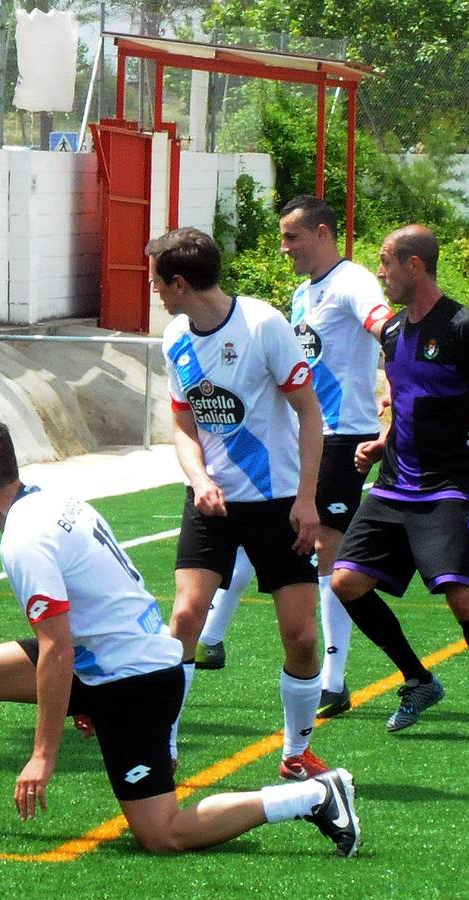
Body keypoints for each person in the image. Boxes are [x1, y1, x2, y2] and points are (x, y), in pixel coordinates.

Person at [0, 413, 360, 857]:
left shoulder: (24, 540)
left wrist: (44, 753)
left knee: (161, 833)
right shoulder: (49, 500)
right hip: (117, 661)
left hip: (137, 680)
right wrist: (85, 692)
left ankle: (312, 796)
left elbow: (57, 649)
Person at [193, 197, 392, 722]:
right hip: (300, 437)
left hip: (341, 435)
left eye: (292, 238)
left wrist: (399, 390)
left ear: (322, 234)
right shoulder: (305, 293)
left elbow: (389, 331)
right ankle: (210, 639)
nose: (284, 249)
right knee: (252, 530)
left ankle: (334, 679)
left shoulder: (352, 281)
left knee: (324, 550)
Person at [331, 224, 469, 743]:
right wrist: (382, 442)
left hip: (448, 485)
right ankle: (419, 679)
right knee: (346, 582)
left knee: (462, 597)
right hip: (395, 482)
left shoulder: (466, 328)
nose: (380, 272)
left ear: (414, 266)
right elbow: (404, 397)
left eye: (386, 261)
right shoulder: (394, 332)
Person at [151, 227, 334, 782]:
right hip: (212, 502)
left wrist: (307, 500)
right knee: (184, 616)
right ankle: (165, 744)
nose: (155, 290)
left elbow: (308, 412)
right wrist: (198, 477)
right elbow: (183, 422)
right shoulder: (175, 338)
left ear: (179, 282)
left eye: (158, 280)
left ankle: (296, 751)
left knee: (302, 636)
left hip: (278, 501)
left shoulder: (263, 325)